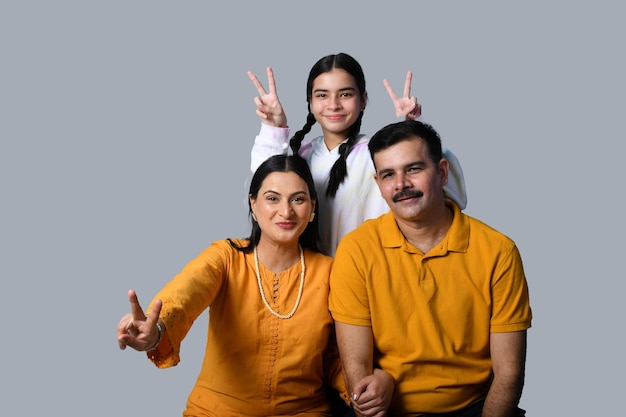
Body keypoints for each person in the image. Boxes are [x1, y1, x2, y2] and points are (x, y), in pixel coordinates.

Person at [116, 155, 393, 417]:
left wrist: (371, 384)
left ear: (312, 208)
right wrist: (157, 330)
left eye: (297, 199)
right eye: (272, 199)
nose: (286, 211)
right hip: (216, 411)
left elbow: (335, 355)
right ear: (253, 204)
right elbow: (187, 292)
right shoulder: (226, 257)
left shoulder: (331, 271)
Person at [328, 120, 532, 416]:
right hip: (389, 410)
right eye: (388, 175)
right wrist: (368, 407)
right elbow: (357, 369)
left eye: (413, 169)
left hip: (474, 408)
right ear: (378, 185)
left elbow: (509, 373)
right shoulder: (356, 250)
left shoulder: (498, 251)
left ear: (443, 171)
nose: (401, 185)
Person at [248, 52, 467, 256]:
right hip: (311, 280)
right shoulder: (300, 154)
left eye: (345, 94)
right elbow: (263, 192)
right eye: (322, 95)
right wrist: (274, 129)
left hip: (370, 274)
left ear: (363, 100)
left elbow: (447, 189)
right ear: (311, 103)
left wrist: (409, 134)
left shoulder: (379, 155)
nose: (333, 105)